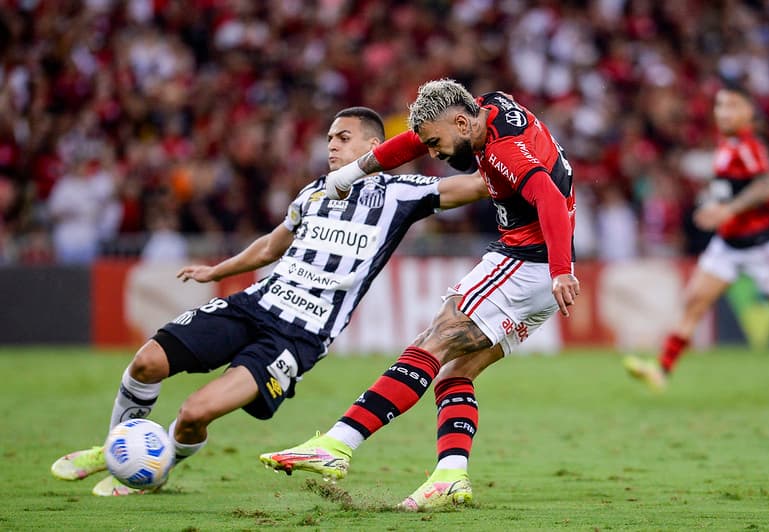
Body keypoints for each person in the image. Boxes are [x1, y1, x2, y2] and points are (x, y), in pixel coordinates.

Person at [49, 106, 489, 496]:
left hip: (298, 336)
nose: (331, 145)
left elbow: (476, 186)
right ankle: (114, 448)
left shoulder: (402, 192)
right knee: (146, 362)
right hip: (253, 305)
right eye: (329, 138)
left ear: (375, 146)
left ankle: (158, 464)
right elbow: (270, 246)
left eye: (343, 137)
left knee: (193, 413)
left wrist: (515, 153)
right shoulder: (314, 192)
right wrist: (217, 271)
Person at [259, 79, 580, 511]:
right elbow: (409, 143)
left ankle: (337, 444)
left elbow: (549, 196)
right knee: (453, 375)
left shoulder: (504, 151)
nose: (434, 153)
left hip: (527, 263)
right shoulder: (485, 110)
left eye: (437, 143)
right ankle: (450, 475)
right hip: (538, 276)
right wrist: (349, 174)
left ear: (462, 122)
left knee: (432, 342)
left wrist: (560, 271)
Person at [624, 84, 769, 391]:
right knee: (693, 302)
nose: (724, 113)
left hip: (759, 245)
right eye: (720, 106)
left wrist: (728, 209)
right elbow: (733, 188)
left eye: (732, 106)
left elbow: (766, 186)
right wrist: (712, 206)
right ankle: (661, 371)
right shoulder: (726, 144)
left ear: (748, 112)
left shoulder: (748, 145)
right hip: (727, 245)